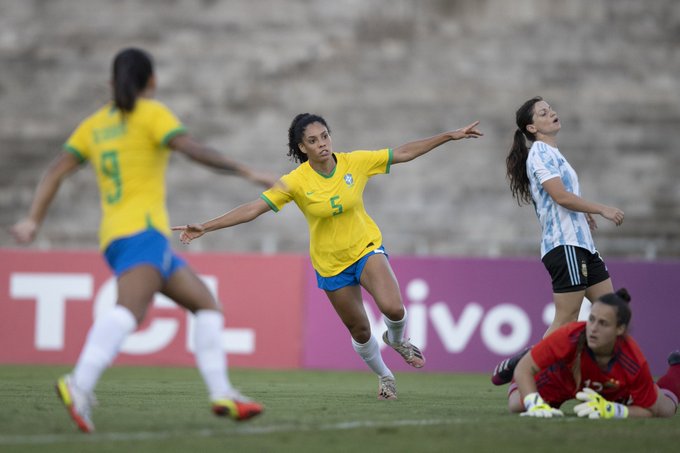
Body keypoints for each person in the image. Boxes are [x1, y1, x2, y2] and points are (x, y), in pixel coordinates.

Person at [11, 48, 277, 432]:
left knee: (206, 306)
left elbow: (55, 171)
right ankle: (79, 383)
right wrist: (248, 171)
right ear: (151, 81)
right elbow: (193, 149)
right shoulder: (152, 113)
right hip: (144, 232)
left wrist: (34, 220)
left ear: (112, 81)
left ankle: (222, 393)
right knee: (130, 311)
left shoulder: (93, 126)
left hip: (119, 237)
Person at [173, 113, 483, 399]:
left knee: (393, 307)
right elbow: (254, 208)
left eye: (325, 136)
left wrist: (449, 135)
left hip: (365, 247)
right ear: (302, 147)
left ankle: (397, 340)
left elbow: (402, 152)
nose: (322, 144)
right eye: (313, 140)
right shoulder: (295, 181)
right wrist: (207, 226)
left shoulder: (355, 162)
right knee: (360, 330)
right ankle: (385, 376)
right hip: (331, 264)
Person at [491, 96, 625, 385]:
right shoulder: (539, 153)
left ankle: (602, 380)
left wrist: (584, 217)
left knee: (611, 312)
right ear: (532, 126)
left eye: (550, 109)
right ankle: (524, 369)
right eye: (543, 112)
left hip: (583, 246)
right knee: (566, 321)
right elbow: (560, 196)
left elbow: (564, 199)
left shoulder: (555, 153)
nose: (552, 113)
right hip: (564, 247)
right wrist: (600, 208)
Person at [508, 288, 679, 418]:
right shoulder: (569, 335)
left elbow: (648, 411)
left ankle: (677, 370)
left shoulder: (633, 360)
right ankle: (532, 355)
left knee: (665, 410)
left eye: (603, 323)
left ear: (620, 329)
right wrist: (534, 404)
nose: (593, 329)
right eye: (591, 319)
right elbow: (523, 369)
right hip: (563, 379)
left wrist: (614, 411)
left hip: (611, 390)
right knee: (517, 404)